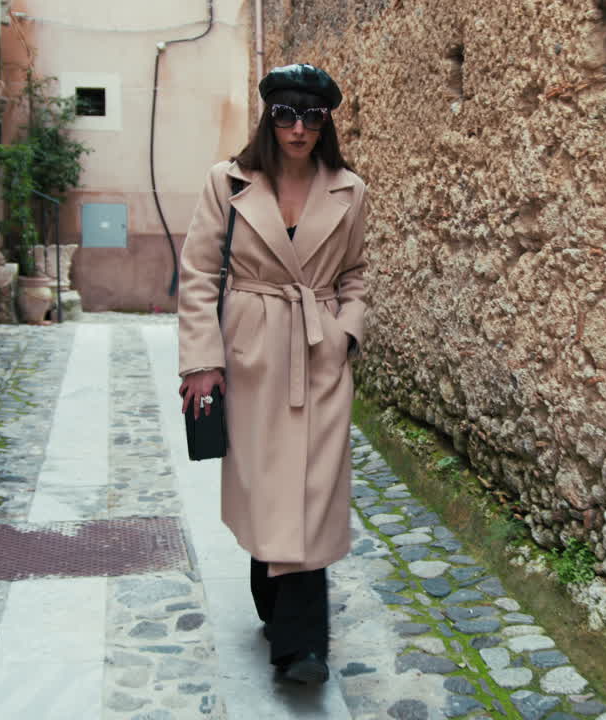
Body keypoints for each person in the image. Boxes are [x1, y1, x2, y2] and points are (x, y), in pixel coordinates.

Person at [176, 63, 368, 686]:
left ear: (325, 123)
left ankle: (301, 647)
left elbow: (355, 276)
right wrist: (202, 363)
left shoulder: (349, 189)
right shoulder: (226, 182)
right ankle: (272, 600)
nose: (298, 128)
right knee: (267, 487)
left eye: (312, 116)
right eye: (286, 113)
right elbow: (202, 274)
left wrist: (347, 334)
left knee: (310, 491)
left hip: (318, 353)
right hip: (252, 355)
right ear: (269, 117)